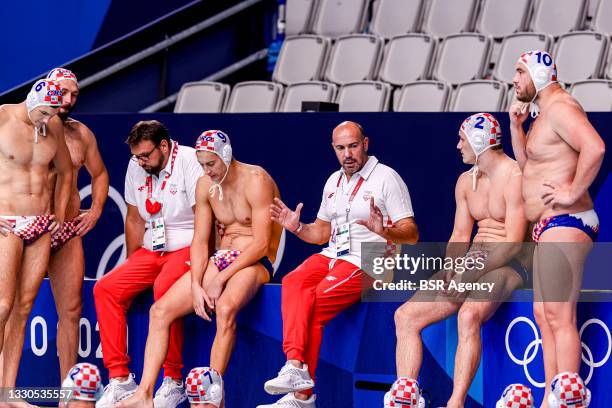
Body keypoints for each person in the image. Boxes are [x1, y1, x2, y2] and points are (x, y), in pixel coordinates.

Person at [117, 129, 282, 408]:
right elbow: (201, 240)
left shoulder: (257, 180)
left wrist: (221, 279)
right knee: (159, 311)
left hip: (254, 261)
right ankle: (144, 394)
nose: (207, 171)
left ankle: (211, 395)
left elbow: (262, 244)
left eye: (212, 164)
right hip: (221, 257)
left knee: (227, 307)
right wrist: (196, 283)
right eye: (203, 164)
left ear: (226, 156)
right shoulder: (205, 184)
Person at [259, 121, 419, 408]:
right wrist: (296, 228)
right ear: (333, 149)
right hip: (334, 255)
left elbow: (412, 233)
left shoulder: (386, 178)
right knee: (293, 281)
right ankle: (295, 365)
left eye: (353, 146)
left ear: (366, 144)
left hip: (371, 260)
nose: (348, 154)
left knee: (315, 303)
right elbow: (320, 233)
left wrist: (384, 232)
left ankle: (302, 397)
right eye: (341, 148)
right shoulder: (333, 181)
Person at [387, 113, 529, 408]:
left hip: (510, 264)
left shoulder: (515, 178)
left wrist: (470, 271)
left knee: (468, 316)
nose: (457, 146)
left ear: (479, 142)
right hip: (474, 261)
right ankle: (407, 397)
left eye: (462, 139)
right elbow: (459, 235)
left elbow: (514, 243)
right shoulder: (466, 182)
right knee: (405, 316)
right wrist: (454, 267)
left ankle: (456, 402)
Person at [509, 50, 604, 407]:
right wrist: (517, 131)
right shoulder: (542, 114)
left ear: (537, 73)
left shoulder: (562, 107)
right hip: (548, 226)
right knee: (543, 314)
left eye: (519, 73)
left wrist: (573, 191)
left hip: (567, 222)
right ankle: (554, 395)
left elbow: (595, 147)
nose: (515, 81)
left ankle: (571, 399)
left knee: (559, 315)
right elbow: (531, 168)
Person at [93, 120, 203, 408]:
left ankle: (174, 380)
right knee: (106, 289)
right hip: (152, 247)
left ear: (164, 146)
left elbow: (204, 217)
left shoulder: (190, 161)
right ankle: (119, 379)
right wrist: (132, 265)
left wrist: (202, 262)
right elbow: (133, 218)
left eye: (146, 155)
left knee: (165, 288)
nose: (141, 162)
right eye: (136, 156)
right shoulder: (136, 165)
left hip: (188, 243)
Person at [0, 79, 72, 398]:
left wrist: (56, 214)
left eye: (51, 114)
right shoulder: (3, 117)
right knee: (2, 305)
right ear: (30, 101)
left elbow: (67, 172)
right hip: (8, 221)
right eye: (42, 113)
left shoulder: (52, 125)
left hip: (41, 223)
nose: (46, 120)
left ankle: (8, 392)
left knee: (23, 307)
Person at [45, 67, 109, 381]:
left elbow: (100, 174)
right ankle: (5, 390)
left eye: (75, 95)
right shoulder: (21, 128)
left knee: (71, 312)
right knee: (10, 309)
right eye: (64, 93)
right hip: (27, 231)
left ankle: (67, 395)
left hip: (67, 231)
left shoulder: (80, 133)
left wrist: (95, 210)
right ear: (47, 89)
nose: (69, 100)